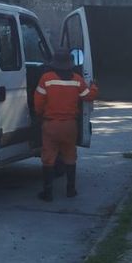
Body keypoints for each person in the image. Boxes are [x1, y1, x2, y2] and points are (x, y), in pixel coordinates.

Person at [33, 49, 98, 202]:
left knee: (48, 158)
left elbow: (38, 101)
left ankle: (47, 193)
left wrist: (39, 114)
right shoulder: (77, 79)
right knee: (70, 156)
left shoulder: (46, 78)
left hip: (51, 125)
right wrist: (94, 86)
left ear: (54, 64)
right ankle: (70, 190)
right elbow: (88, 96)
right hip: (70, 126)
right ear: (70, 64)